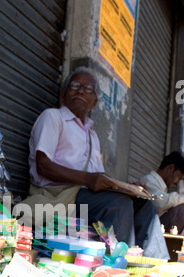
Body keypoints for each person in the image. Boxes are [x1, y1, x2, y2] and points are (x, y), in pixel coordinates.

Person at [18, 66, 169, 259]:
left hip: (85, 196)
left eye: (88, 89)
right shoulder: (53, 117)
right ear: (64, 94)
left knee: (143, 204)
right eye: (75, 86)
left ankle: (158, 267)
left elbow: (99, 179)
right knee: (118, 204)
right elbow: (43, 165)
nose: (81, 90)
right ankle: (117, 265)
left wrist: (126, 189)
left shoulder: (92, 135)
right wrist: (88, 179)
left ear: (95, 102)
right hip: (59, 196)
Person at [140, 152, 184, 234]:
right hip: (148, 229)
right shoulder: (149, 181)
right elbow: (160, 203)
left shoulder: (161, 187)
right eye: (178, 177)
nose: (177, 182)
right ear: (170, 168)